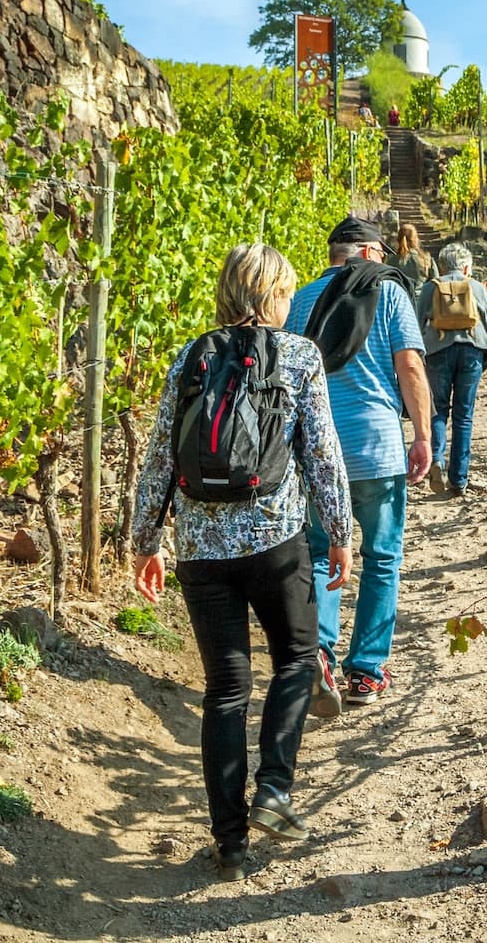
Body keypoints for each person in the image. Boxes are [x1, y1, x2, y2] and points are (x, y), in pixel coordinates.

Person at [130, 244, 354, 881]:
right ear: (272, 295)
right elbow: (322, 455)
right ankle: (275, 790)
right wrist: (340, 532)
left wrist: (145, 540)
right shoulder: (299, 356)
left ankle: (229, 842)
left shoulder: (191, 355)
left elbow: (158, 460)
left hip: (201, 550)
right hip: (276, 542)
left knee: (225, 692)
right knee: (296, 657)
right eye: (283, 291)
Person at [287, 217, 433, 708]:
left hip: (318, 451)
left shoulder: (301, 300)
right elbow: (410, 365)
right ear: (370, 253)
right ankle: (367, 672)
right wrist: (423, 434)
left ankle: (319, 655)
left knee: (321, 550)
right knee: (383, 556)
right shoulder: (389, 293)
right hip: (376, 445)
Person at [414, 243, 487, 498]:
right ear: (466, 267)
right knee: (464, 416)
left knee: (438, 410)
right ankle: (459, 480)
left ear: (441, 266)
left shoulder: (431, 287)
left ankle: (437, 460)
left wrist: (414, 355)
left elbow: (417, 320)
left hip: (438, 351)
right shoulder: (475, 286)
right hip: (472, 351)